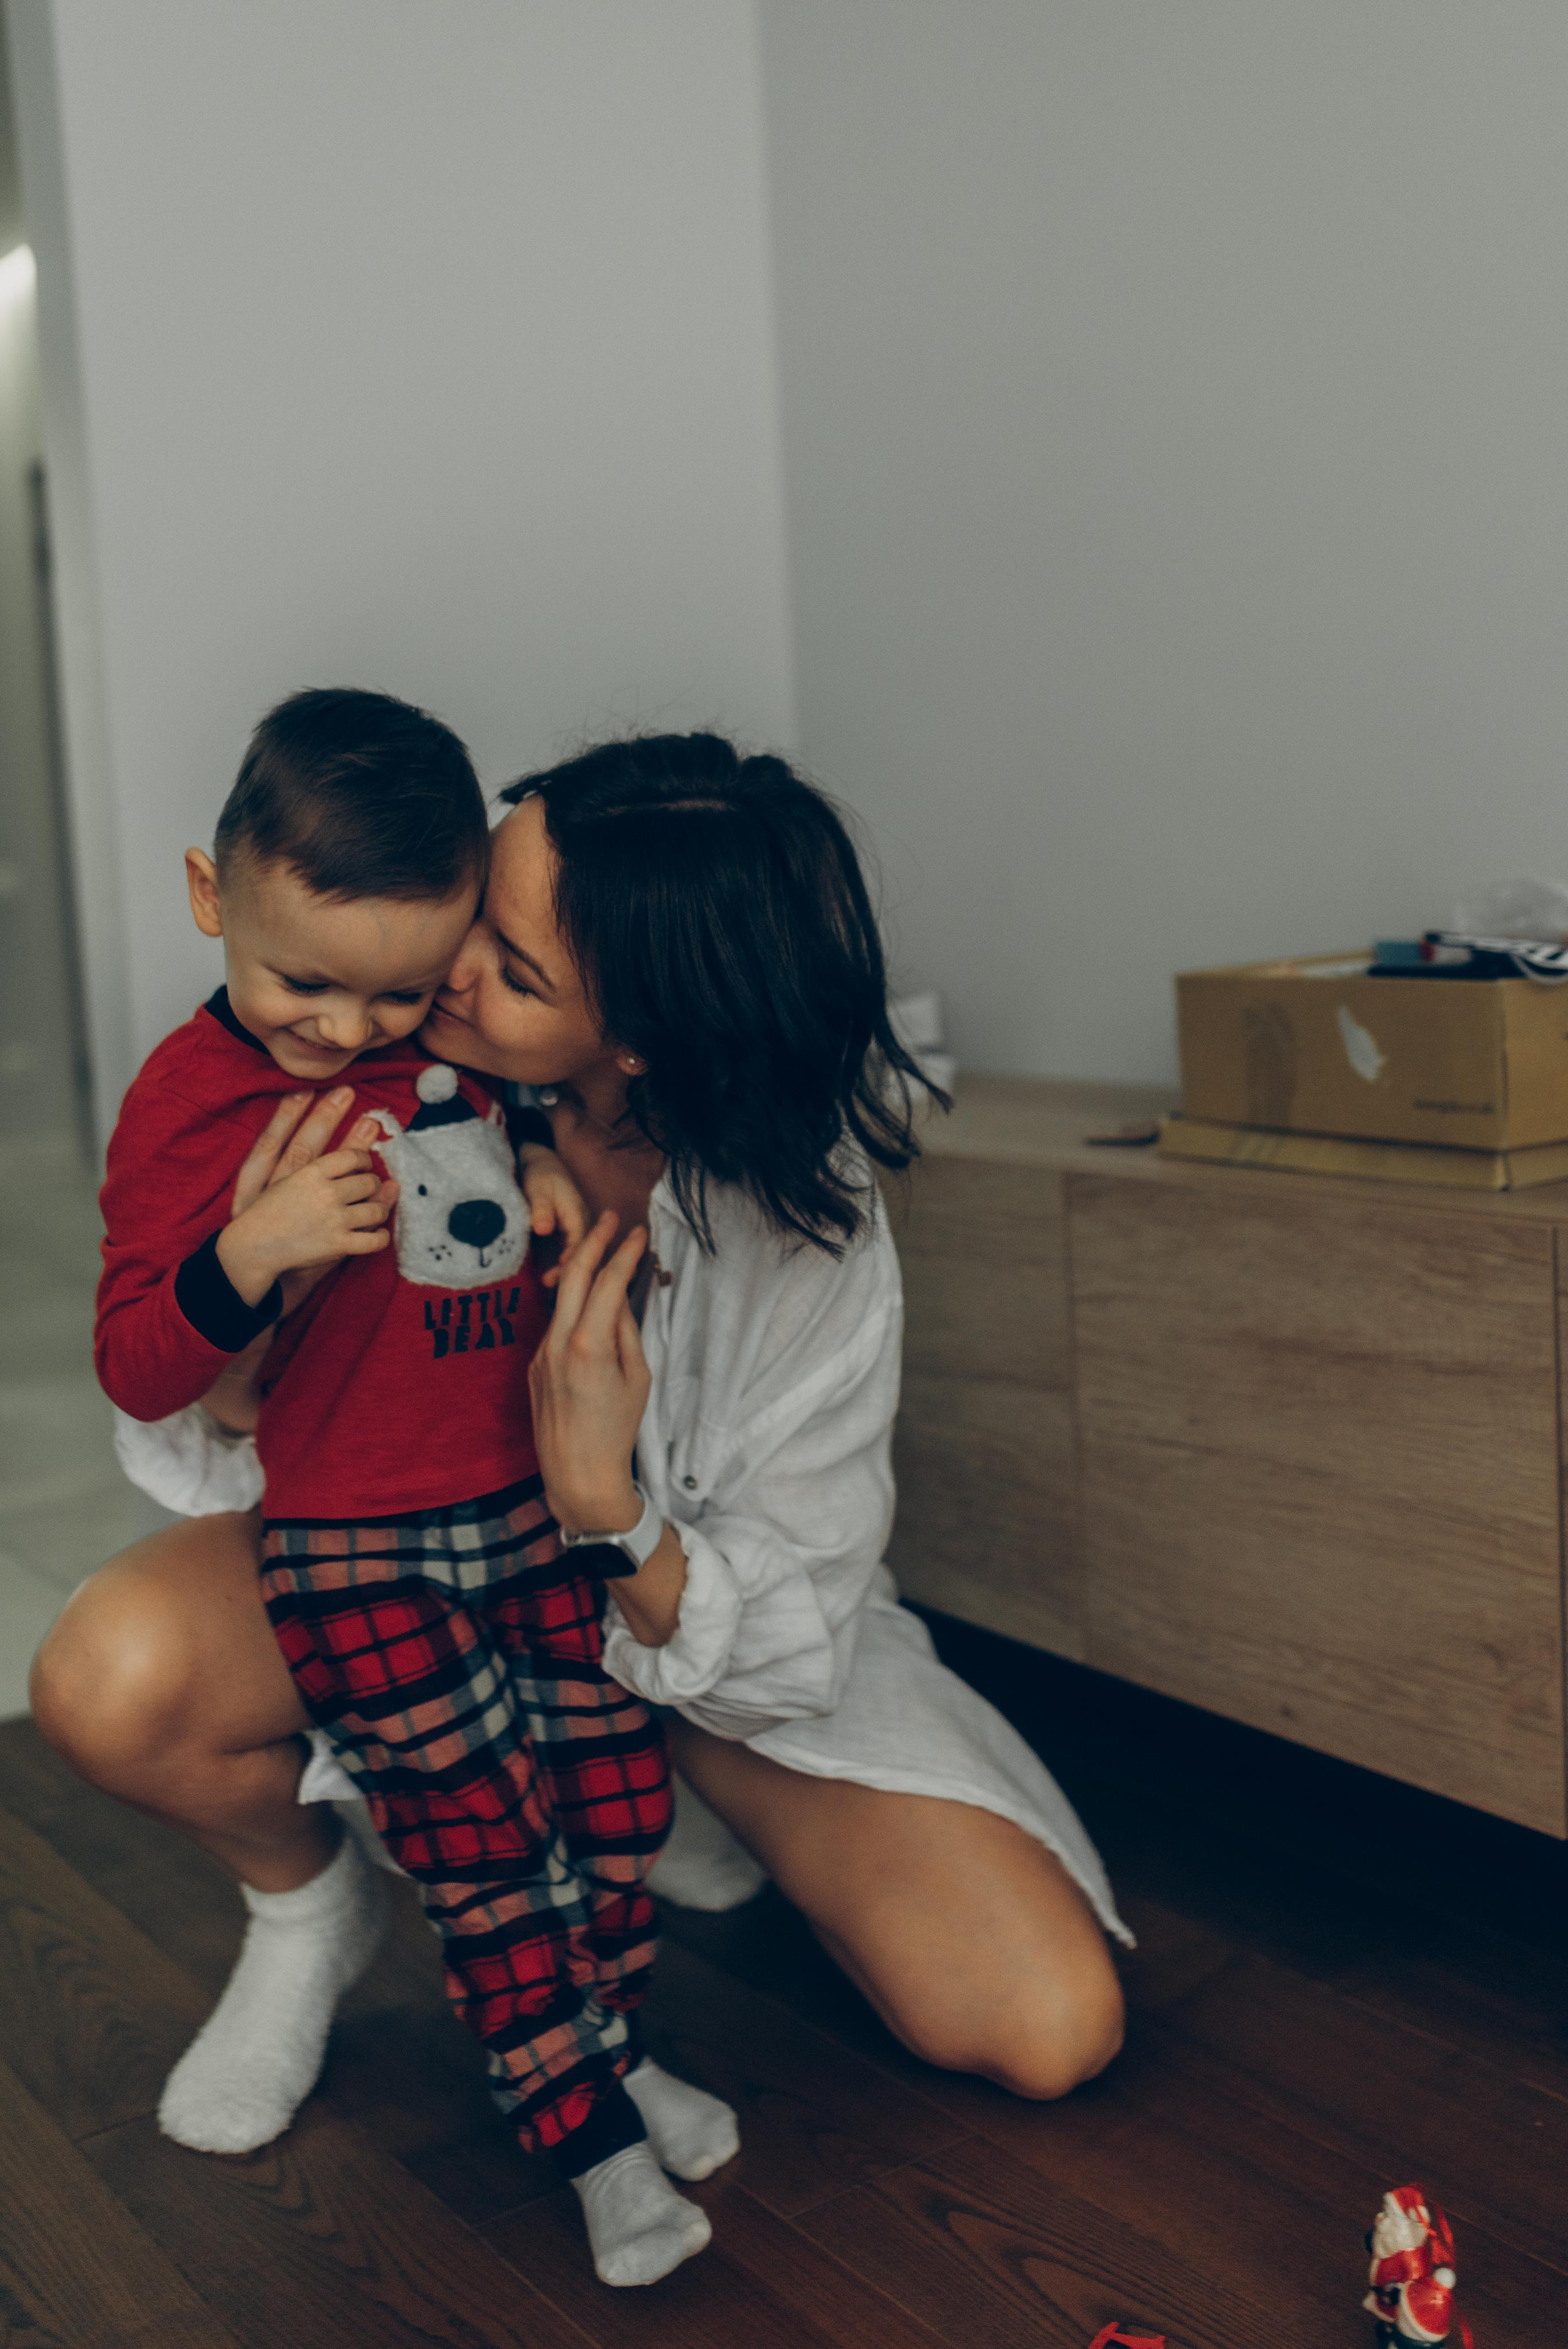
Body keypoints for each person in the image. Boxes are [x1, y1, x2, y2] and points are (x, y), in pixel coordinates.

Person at [34, 733, 1128, 2251]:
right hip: (406, 1573)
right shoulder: (355, 1076)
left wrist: (602, 1502)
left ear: (643, 1043)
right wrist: (253, 1313)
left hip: (676, 1624)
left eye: (513, 969)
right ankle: (308, 1911)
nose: (443, 969)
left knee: (1041, 2024)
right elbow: (190, 1423)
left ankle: (638, 1805)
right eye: (481, 902)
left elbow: (795, 1598)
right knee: (112, 1680)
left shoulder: (800, 1236)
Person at [93, 690, 723, 2290]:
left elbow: (515, 1157)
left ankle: (615, 2052)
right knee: (480, 1849)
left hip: (523, 1514)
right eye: (302, 978)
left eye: (397, 991)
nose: (343, 1029)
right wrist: (248, 1256)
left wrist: (537, 1183)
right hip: (349, 1549)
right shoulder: (191, 1101)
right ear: (206, 897)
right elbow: (135, 1362)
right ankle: (585, 2140)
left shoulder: (453, 1063)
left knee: (615, 1804)